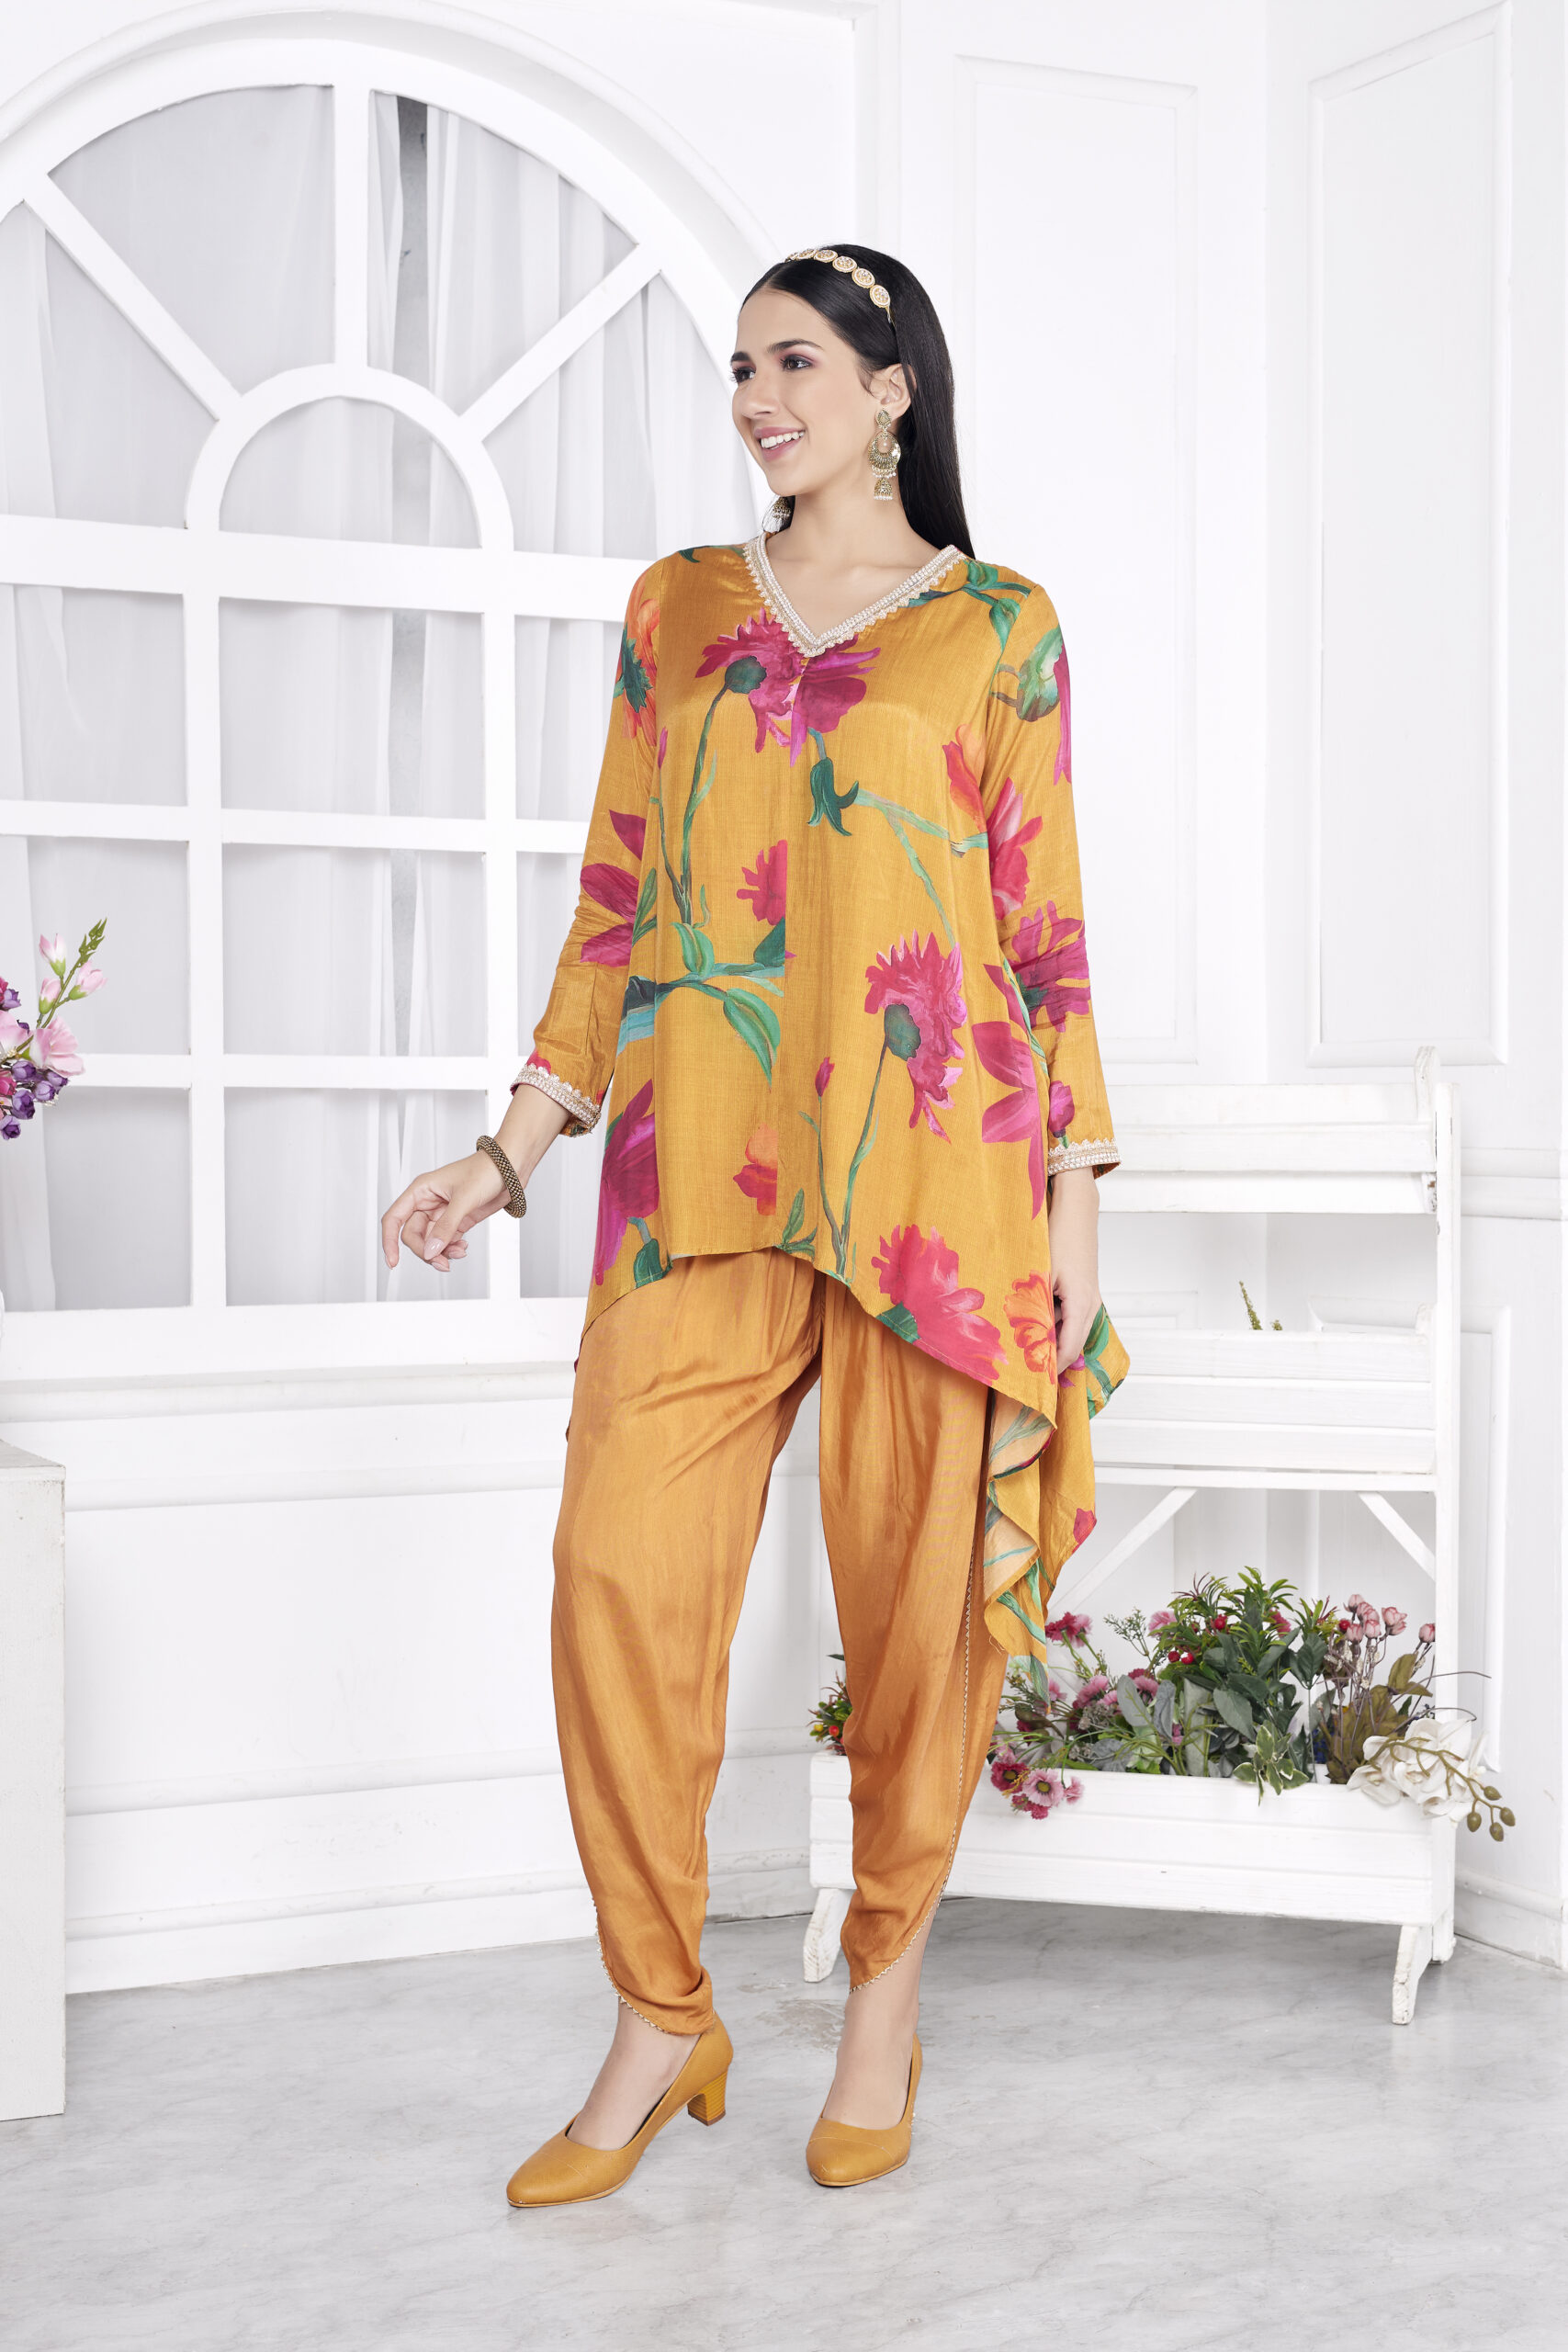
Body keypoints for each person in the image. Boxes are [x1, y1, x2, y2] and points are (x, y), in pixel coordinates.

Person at [380, 243, 1127, 2202]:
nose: (755, 400)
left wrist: (1075, 1210)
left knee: (912, 1626)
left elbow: (1044, 939)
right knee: (615, 1581)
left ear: (892, 391)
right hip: (695, 1173)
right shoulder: (681, 609)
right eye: (737, 369)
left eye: (793, 362)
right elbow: (613, 901)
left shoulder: (1002, 628)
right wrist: (508, 1148)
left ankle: (883, 1998)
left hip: (935, 1190)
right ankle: (662, 2013)